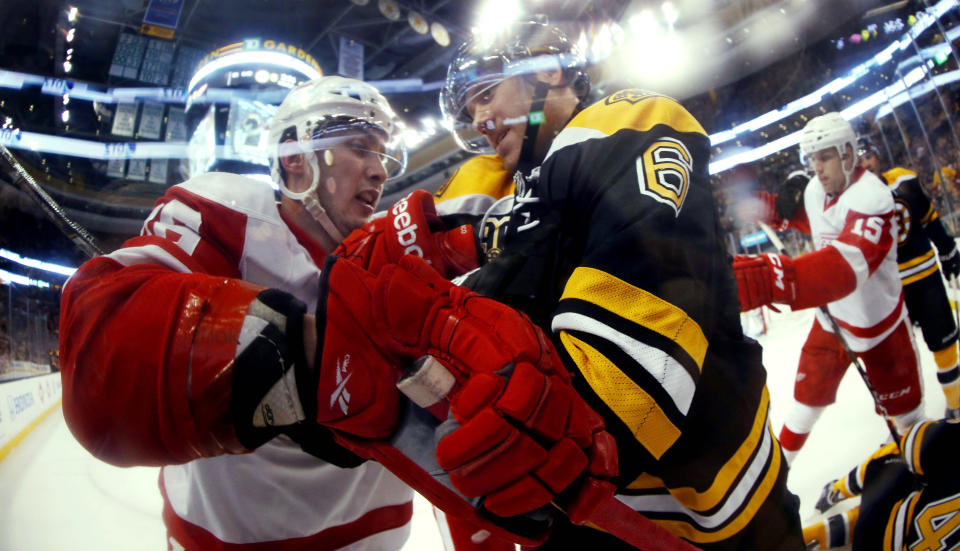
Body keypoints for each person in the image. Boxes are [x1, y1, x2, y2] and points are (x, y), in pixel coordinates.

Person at [58, 76, 613, 550]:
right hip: (227, 537)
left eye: (382, 154)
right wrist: (300, 352)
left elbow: (463, 425)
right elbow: (100, 366)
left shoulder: (398, 254)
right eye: (360, 148)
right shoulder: (229, 216)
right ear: (295, 159)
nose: (379, 171)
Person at [435, 20, 805, 550]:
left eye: (486, 95)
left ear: (547, 71)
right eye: (469, 110)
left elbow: (642, 360)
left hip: (707, 501)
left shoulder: (626, 125)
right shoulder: (512, 191)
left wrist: (542, 455)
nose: (480, 121)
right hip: (601, 510)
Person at [733, 113, 926, 464]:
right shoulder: (815, 190)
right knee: (804, 403)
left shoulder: (874, 198)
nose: (816, 168)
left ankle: (912, 465)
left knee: (907, 418)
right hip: (832, 323)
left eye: (825, 157)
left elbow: (845, 266)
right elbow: (814, 221)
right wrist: (772, 210)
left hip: (881, 329)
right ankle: (776, 475)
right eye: (812, 159)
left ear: (848, 154)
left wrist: (772, 279)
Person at [859, 138, 960, 420]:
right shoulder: (854, 199)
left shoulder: (904, 179)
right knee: (902, 357)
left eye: (868, 157)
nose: (866, 164)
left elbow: (929, 218)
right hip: (889, 289)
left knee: (943, 341)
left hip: (925, 276)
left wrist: (948, 249)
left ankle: (956, 402)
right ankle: (913, 422)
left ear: (877, 157)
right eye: (859, 160)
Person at [801, 417, 960, 550]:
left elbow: (917, 443)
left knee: (897, 457)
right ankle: (841, 525)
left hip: (881, 535)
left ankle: (836, 492)